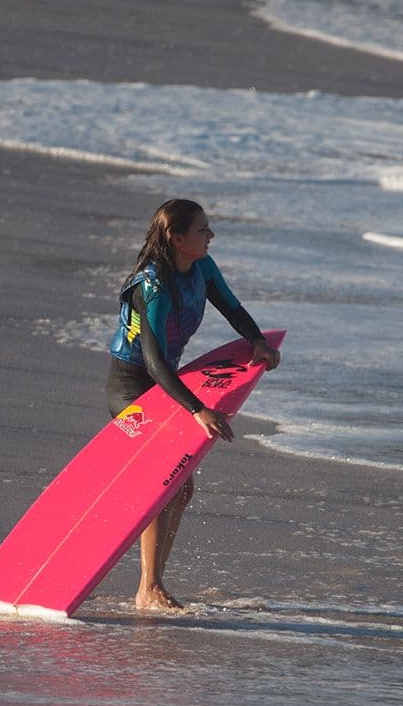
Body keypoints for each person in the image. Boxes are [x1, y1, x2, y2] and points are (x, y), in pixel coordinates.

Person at [107, 199, 280, 611]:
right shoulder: (152, 286)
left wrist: (257, 340)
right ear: (177, 238)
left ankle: (152, 584)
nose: (211, 235)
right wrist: (197, 409)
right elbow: (153, 361)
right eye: (202, 230)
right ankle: (149, 587)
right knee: (165, 485)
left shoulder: (202, 267)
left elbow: (231, 307)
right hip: (132, 387)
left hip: (168, 383)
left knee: (180, 488)